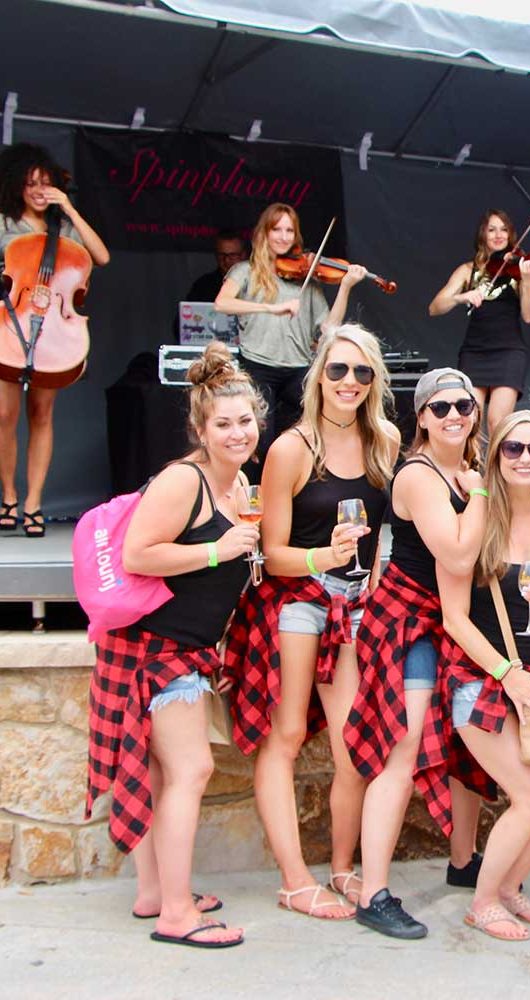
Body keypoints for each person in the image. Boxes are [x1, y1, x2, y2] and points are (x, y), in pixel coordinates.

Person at [84, 342, 262, 949]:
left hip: (183, 648)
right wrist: (219, 550)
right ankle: (180, 914)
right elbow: (138, 553)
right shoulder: (182, 479)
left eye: (245, 421)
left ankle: (155, 892)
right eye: (224, 424)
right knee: (193, 768)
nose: (237, 433)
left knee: (162, 775)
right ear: (201, 429)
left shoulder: (240, 487)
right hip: (153, 651)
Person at [223, 324, 399, 920]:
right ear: (317, 375)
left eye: (362, 372)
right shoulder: (291, 448)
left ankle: (344, 870)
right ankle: (295, 881)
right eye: (338, 370)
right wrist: (325, 557)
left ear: (374, 382)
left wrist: (374, 574)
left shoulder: (386, 442)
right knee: (289, 735)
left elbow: (389, 529)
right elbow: (271, 554)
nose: (349, 382)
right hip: (298, 597)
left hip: (355, 606)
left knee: (353, 748)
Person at [345, 368, 489, 940]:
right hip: (408, 627)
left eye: (465, 405)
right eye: (443, 406)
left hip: (450, 625)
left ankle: (462, 859)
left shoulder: (462, 471)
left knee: (464, 743)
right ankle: (373, 892)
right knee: (400, 756)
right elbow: (455, 556)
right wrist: (480, 489)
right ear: (423, 417)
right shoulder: (422, 475)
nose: (456, 414)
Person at [438, 411, 530, 940]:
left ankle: (508, 887)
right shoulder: (472, 518)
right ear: (496, 455)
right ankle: (482, 902)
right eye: (513, 448)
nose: (525, 458)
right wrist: (507, 674)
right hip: (480, 677)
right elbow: (453, 617)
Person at [0, 142, 110, 537]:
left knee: (42, 415)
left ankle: (34, 504)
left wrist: (69, 208)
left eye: (45, 183)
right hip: (10, 322)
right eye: (30, 183)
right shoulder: (4, 224)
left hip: (51, 330)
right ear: (17, 186)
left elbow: (100, 256)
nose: (38, 190)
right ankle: (9, 497)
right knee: (3, 416)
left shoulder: (62, 229)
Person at [214, 203, 363, 467]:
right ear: (264, 233)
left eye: (289, 231)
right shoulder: (245, 271)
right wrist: (272, 308)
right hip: (258, 365)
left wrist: (346, 288)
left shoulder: (307, 279)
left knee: (325, 421)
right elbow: (222, 303)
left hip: (298, 368)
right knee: (260, 439)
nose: (283, 236)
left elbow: (329, 329)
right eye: (277, 229)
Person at [428, 209, 530, 434]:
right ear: (483, 235)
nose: (498, 235)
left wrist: (528, 282)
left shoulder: (519, 270)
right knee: (469, 421)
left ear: (510, 235)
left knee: (497, 422)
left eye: (503, 229)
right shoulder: (468, 270)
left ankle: (498, 470)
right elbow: (434, 307)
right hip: (475, 351)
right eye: (492, 230)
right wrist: (462, 297)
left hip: (509, 351)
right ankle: (470, 469)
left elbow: (529, 315)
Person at [184, 231, 249, 303]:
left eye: (232, 255)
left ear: (244, 255)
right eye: (222, 255)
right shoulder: (203, 285)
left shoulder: (257, 283)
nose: (226, 260)